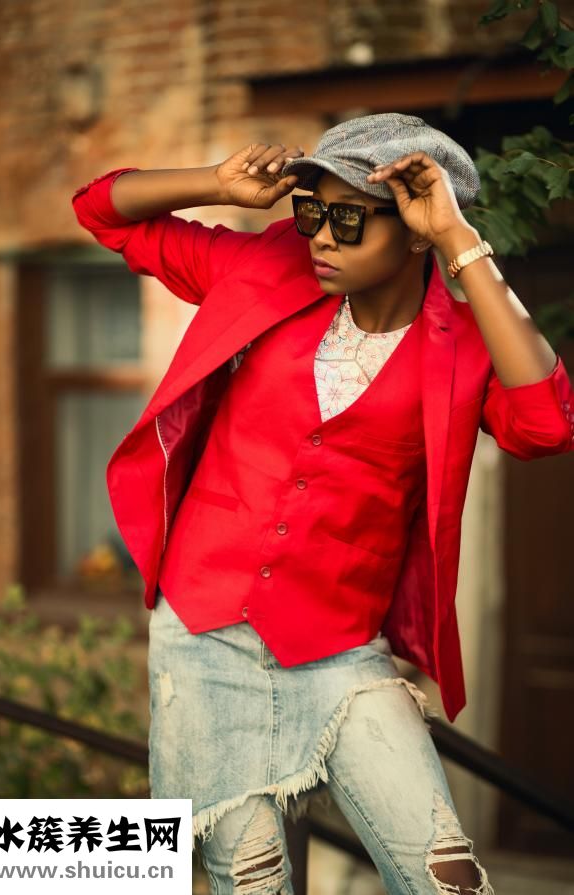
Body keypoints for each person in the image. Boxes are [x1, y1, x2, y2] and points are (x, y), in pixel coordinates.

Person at [71, 112, 574, 895]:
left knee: (445, 874)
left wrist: (458, 240)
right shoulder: (263, 270)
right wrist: (216, 183)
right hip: (202, 634)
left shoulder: (464, 345)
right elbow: (101, 211)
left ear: (412, 230)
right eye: (312, 212)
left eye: (348, 219)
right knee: (251, 878)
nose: (320, 239)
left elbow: (545, 425)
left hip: (337, 649)